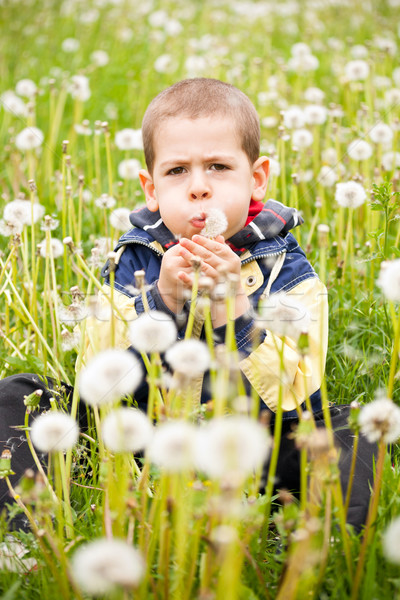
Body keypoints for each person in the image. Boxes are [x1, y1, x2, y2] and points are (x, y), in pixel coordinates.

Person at [0, 78, 375, 532]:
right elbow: (94, 374)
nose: (198, 187)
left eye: (218, 166)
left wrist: (236, 313)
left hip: (255, 445)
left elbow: (301, 390)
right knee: (21, 396)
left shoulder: (286, 268)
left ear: (256, 179)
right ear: (151, 188)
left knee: (350, 432)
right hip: (135, 441)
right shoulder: (133, 258)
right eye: (177, 171)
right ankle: (23, 534)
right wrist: (159, 303)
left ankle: (324, 547)